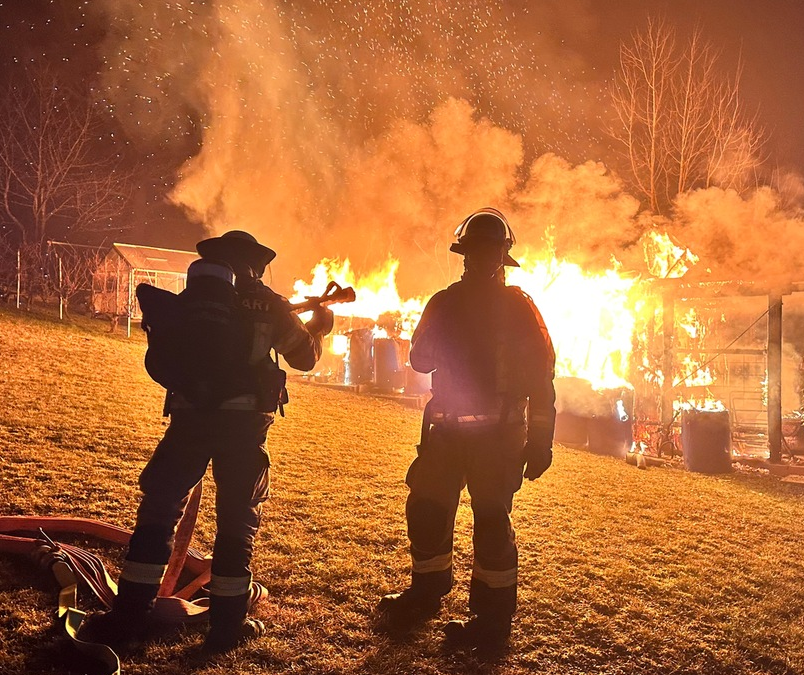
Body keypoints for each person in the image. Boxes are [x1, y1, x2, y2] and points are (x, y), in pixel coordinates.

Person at [88, 230, 334, 653]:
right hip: (243, 430)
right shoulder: (268, 304)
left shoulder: (191, 302)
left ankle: (129, 615)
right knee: (237, 520)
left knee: (159, 512)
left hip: (188, 422)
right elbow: (304, 357)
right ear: (254, 265)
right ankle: (225, 626)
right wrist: (319, 329)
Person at [377, 208, 556, 653]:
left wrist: (540, 440)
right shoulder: (444, 302)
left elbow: (541, 377)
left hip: (499, 436)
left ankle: (491, 621)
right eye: (477, 249)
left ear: (503, 254)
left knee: (492, 524)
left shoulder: (521, 307)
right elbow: (420, 361)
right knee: (426, 509)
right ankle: (427, 590)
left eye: (492, 249)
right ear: (464, 254)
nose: (484, 257)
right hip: (447, 432)